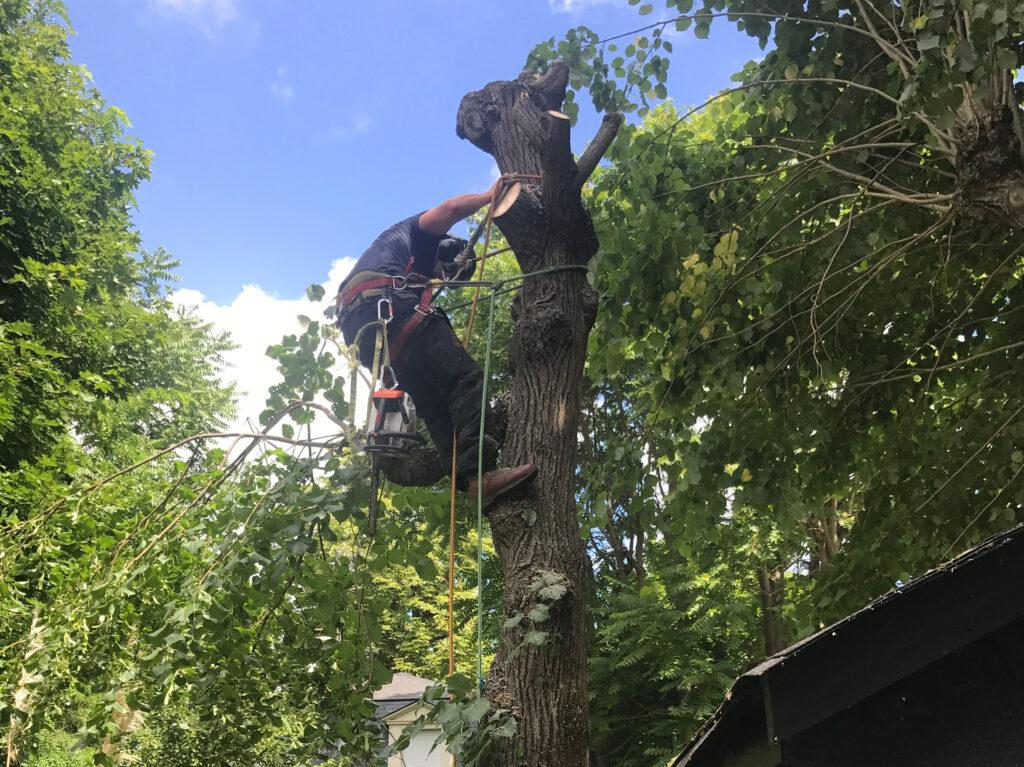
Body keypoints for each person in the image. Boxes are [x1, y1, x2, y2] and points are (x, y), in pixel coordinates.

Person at [335, 178, 536, 507]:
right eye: (445, 271)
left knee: (436, 404)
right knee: (464, 378)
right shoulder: (419, 233)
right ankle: (479, 471)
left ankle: (471, 482)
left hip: (372, 330)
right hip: (386, 309)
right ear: (445, 250)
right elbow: (451, 208)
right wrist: (489, 196)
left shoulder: (406, 267)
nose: (441, 276)